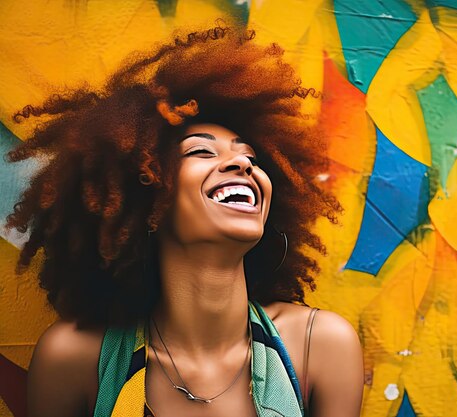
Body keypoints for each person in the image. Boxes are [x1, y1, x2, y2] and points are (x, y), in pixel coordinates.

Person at [6, 22, 363, 417]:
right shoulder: (75, 359)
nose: (243, 163)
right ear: (144, 190)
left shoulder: (319, 346)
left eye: (252, 157)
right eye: (201, 152)